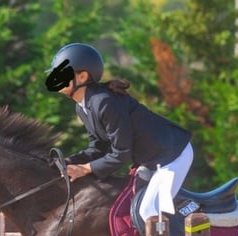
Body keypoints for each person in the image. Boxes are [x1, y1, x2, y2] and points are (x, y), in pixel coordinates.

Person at [45, 42, 193, 222]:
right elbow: (98, 148)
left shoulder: (103, 102)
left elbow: (121, 154)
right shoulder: (83, 107)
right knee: (131, 203)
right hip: (152, 159)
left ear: (82, 76)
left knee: (148, 211)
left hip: (172, 155)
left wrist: (84, 169)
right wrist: (66, 162)